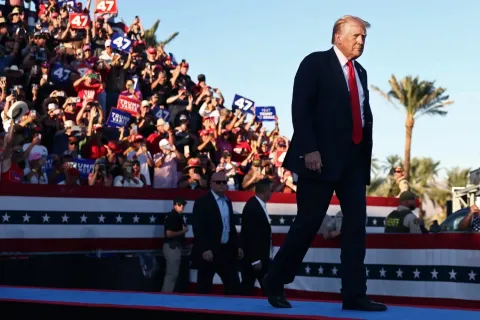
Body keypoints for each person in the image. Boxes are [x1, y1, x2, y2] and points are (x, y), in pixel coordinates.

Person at [262, 15, 387, 312]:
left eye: (364, 37)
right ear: (338, 36)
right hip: (318, 160)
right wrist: (309, 150)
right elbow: (301, 108)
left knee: (356, 227)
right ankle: (275, 279)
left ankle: (354, 295)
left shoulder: (362, 73)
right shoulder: (315, 63)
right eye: (356, 35)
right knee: (308, 222)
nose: (361, 41)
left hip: (353, 163)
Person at [191, 171, 244, 295]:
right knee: (204, 288)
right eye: (218, 182)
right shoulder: (202, 201)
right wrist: (204, 249)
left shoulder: (228, 201)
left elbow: (230, 226)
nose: (222, 184)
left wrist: (237, 246)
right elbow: (198, 227)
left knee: (233, 286)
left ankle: (231, 312)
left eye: (224, 182)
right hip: (210, 251)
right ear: (211, 184)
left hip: (227, 251)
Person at [240, 178, 273, 295]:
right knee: (249, 287)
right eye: (271, 190)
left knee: (252, 287)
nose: (272, 193)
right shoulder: (252, 207)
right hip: (255, 259)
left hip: (262, 257)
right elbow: (250, 235)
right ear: (266, 191)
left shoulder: (259, 205)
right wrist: (255, 260)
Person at [162, 197, 189, 293]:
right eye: (179, 204)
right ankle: (165, 296)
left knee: (173, 274)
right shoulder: (173, 216)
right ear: (174, 205)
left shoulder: (178, 216)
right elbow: (168, 234)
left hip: (175, 247)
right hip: (172, 247)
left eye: (183, 204)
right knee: (172, 274)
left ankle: (167, 295)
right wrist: (183, 231)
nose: (181, 206)